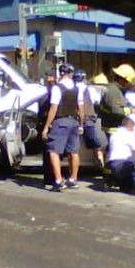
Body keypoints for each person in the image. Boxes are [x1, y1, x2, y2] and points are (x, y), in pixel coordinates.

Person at [41, 63, 84, 192]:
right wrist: (81, 124)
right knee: (74, 152)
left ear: (61, 74)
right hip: (74, 122)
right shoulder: (77, 88)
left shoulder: (57, 88)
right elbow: (80, 109)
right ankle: (73, 179)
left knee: (53, 151)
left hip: (61, 121)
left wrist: (46, 127)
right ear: (71, 74)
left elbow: (53, 108)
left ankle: (59, 181)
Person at [106, 117, 135, 196]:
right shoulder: (128, 134)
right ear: (131, 126)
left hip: (113, 166)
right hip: (122, 165)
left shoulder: (114, 134)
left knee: (132, 161)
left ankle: (124, 185)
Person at [75, 69, 106, 168]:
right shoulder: (90, 89)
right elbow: (97, 101)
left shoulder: (72, 89)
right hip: (88, 120)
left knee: (75, 148)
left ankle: (74, 169)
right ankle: (100, 163)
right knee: (96, 145)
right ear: (84, 79)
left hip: (74, 120)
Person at [98, 64, 135, 132]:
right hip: (113, 129)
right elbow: (116, 110)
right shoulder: (113, 90)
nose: (129, 84)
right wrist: (131, 110)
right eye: (128, 82)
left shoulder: (117, 89)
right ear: (122, 79)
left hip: (117, 127)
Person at [39, 70, 58, 186]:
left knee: (50, 153)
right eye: (48, 76)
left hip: (50, 124)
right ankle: (50, 178)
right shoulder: (48, 91)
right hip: (49, 123)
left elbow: (51, 109)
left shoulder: (54, 91)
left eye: (51, 77)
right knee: (49, 153)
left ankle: (52, 178)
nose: (49, 79)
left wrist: (46, 125)